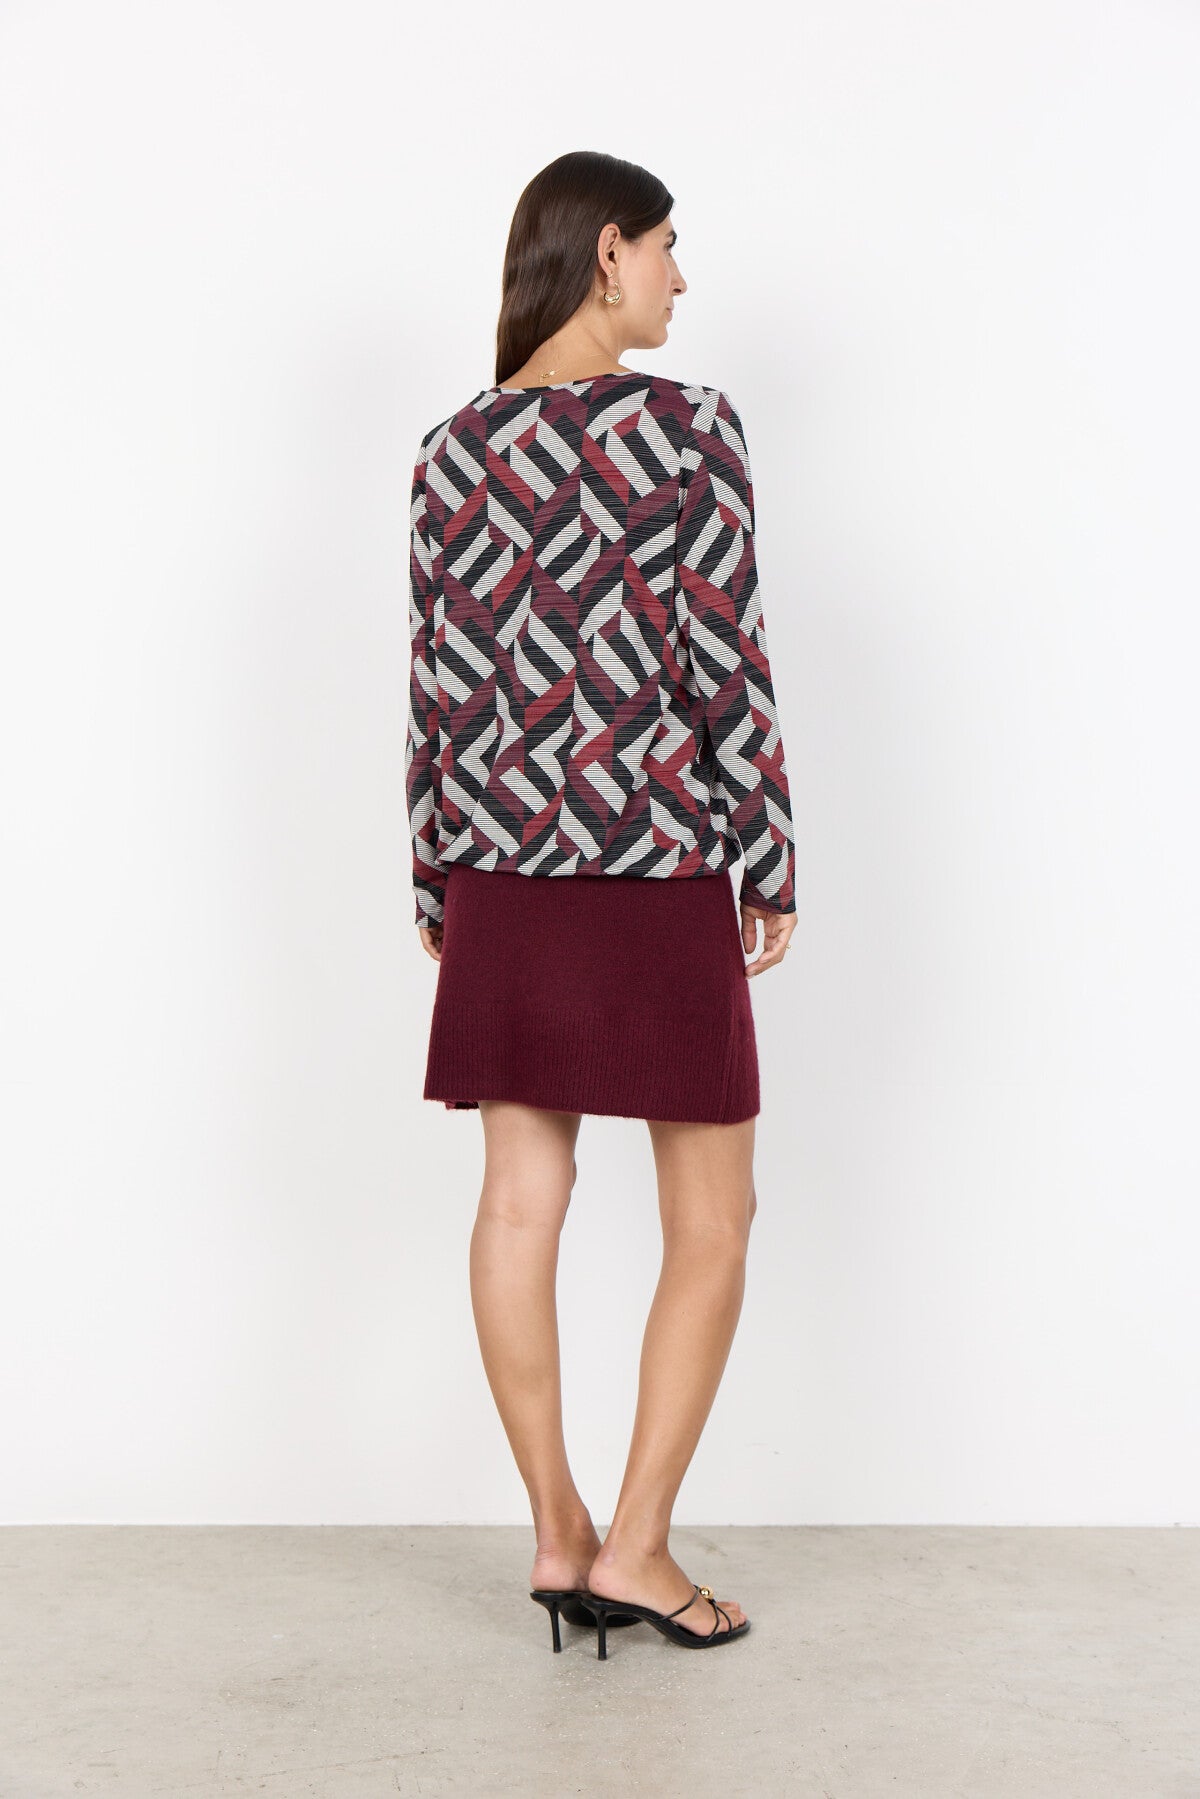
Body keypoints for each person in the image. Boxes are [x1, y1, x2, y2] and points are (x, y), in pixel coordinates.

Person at [404, 151, 798, 1655]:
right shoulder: (687, 432)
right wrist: (766, 852)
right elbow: (722, 655)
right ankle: (638, 1547)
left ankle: (559, 1532)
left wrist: (437, 872)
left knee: (518, 1201)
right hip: (653, 868)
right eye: (671, 247)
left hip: (502, 870)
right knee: (715, 1216)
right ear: (609, 250)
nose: (683, 278)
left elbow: (439, 688)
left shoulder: (450, 453)